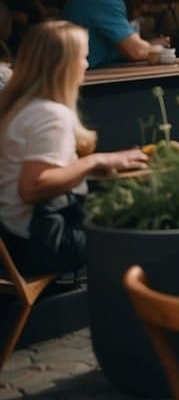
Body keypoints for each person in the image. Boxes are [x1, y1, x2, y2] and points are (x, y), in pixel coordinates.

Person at [0, 22, 147, 274]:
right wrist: (97, 161)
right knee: (143, 228)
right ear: (62, 65)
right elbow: (34, 187)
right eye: (83, 57)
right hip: (43, 243)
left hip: (14, 238)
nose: (87, 65)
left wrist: (109, 161)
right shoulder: (49, 115)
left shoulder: (20, 107)